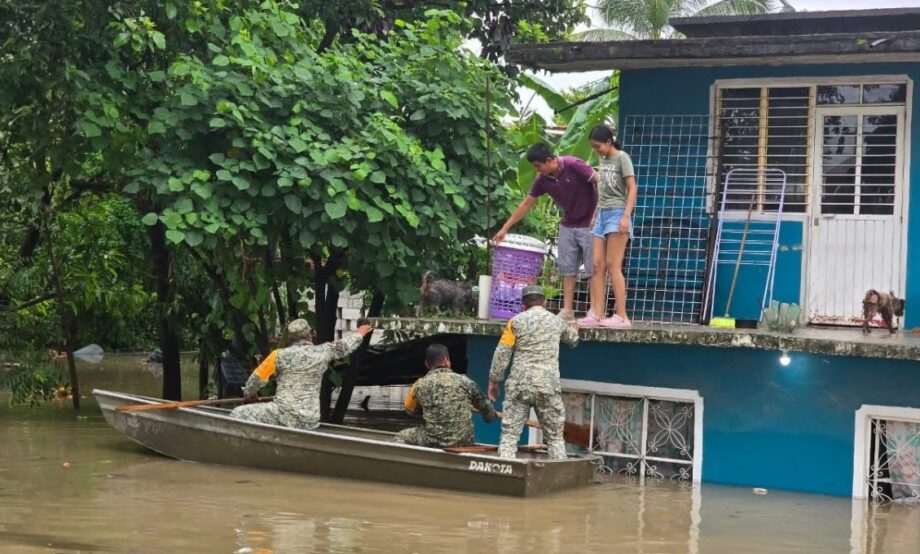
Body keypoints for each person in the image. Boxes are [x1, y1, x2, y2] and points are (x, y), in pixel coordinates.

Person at [492, 143, 598, 319]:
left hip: (590, 224)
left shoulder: (573, 164)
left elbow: (599, 181)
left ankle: (594, 310)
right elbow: (527, 203)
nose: (537, 170)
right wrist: (505, 228)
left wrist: (598, 214)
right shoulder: (542, 179)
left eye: (538, 166)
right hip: (568, 224)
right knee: (567, 268)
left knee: (592, 269)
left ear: (549, 160)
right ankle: (567, 310)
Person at [488, 285, 579, 460]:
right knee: (555, 438)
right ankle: (559, 478)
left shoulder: (515, 322)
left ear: (523, 305)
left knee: (509, 437)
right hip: (547, 386)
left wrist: (494, 380)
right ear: (544, 302)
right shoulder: (556, 321)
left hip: (519, 386)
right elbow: (573, 340)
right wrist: (575, 330)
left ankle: (505, 473)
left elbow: (502, 353)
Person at [230, 319, 372, 430]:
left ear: (291, 338)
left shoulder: (278, 355)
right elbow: (345, 345)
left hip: (283, 414)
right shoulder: (323, 352)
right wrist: (360, 332)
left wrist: (250, 394)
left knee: (238, 413)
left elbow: (256, 379)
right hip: (310, 420)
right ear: (310, 336)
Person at [578, 125, 638, 329]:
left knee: (613, 265)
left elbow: (632, 188)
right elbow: (602, 190)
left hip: (618, 213)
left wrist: (626, 216)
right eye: (594, 147)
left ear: (609, 142)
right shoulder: (602, 160)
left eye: (598, 146)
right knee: (597, 265)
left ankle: (622, 316)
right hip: (602, 214)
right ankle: (597, 313)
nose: (597, 150)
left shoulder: (622, 157)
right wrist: (595, 213)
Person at [396, 343, 496, 448]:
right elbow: (489, 415)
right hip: (465, 440)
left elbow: (409, 411)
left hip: (433, 440)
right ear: (446, 361)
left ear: (426, 364)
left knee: (401, 436)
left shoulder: (419, 385)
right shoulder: (466, 381)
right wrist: (489, 414)